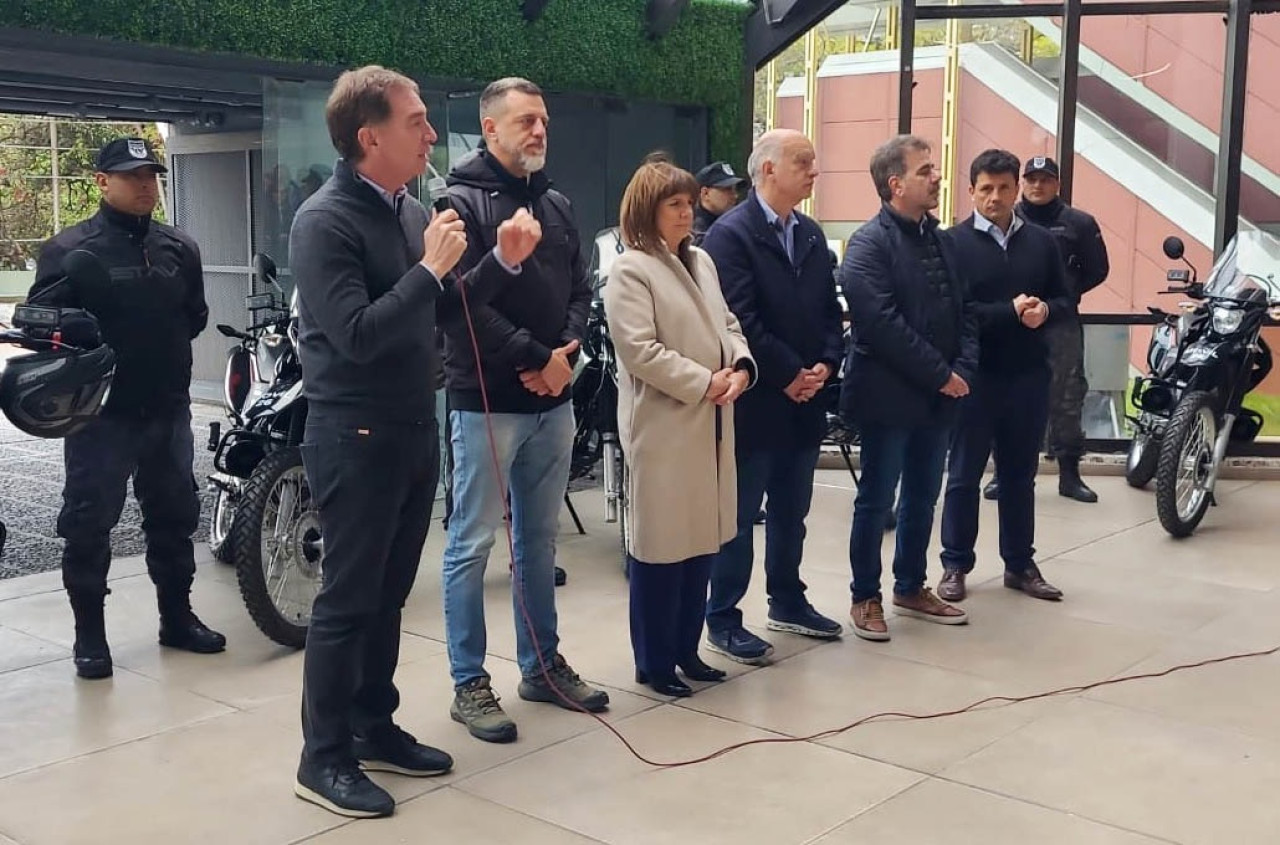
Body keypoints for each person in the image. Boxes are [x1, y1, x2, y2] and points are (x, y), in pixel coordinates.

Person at [288, 65, 542, 818]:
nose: (433, 134)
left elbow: (437, 309)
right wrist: (432, 265)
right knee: (347, 599)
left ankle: (372, 722)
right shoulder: (324, 220)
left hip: (408, 425)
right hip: (353, 431)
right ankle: (321, 754)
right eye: (417, 122)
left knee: (391, 595)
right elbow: (360, 334)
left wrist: (499, 263)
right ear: (370, 137)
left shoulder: (406, 210)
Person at [439, 77, 609, 745]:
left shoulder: (559, 204)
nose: (539, 131)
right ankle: (467, 681)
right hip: (488, 403)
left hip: (554, 399)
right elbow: (462, 306)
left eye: (543, 120)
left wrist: (562, 354)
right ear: (490, 131)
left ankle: (540, 665)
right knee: (472, 541)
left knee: (538, 542)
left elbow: (580, 288)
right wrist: (537, 355)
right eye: (525, 122)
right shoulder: (457, 204)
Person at [31, 136, 224, 681]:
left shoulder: (180, 247)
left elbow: (194, 317)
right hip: (99, 416)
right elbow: (41, 324)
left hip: (166, 408)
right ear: (101, 182)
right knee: (88, 524)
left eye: (152, 175)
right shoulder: (69, 250)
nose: (145, 185)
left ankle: (177, 618)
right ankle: (89, 637)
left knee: (175, 517)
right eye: (132, 176)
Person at [606, 159, 755, 697]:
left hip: (712, 424)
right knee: (661, 549)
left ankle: (687, 650)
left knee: (702, 544)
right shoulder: (632, 270)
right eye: (675, 205)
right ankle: (654, 660)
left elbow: (729, 325)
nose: (687, 212)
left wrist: (739, 367)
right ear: (647, 210)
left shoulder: (703, 262)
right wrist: (704, 381)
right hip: (666, 427)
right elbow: (640, 350)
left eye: (690, 203)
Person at [701, 129, 845, 664]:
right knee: (739, 517)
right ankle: (723, 617)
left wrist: (826, 365)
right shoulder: (729, 236)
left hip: (806, 400)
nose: (814, 170)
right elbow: (737, 320)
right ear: (767, 170)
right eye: (803, 162)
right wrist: (787, 373)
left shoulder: (808, 232)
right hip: (757, 402)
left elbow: (831, 311)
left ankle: (788, 599)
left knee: (793, 510)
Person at [841, 135, 979, 641]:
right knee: (876, 501)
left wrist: (962, 367)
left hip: (939, 397)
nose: (937, 177)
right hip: (889, 396)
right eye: (925, 171)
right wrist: (941, 373)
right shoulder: (868, 244)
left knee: (923, 496)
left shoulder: (942, 241)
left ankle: (910, 585)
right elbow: (880, 323)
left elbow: (966, 313)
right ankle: (865, 596)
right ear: (895, 184)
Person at [938, 149, 1072, 605]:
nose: (995, 197)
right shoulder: (952, 243)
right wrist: (1010, 313)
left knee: (1020, 476)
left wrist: (1046, 310)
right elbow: (955, 313)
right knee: (963, 476)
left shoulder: (1041, 242)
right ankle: (955, 563)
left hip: (1029, 376)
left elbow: (1065, 299)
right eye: (985, 189)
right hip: (975, 378)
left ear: (1017, 190)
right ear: (971, 191)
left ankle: (1019, 564)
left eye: (1003, 188)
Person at [1012, 155, 1110, 503]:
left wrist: (1066, 293)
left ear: (1057, 184)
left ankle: (1070, 476)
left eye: (1045, 179)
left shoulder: (1079, 223)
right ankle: (1007, 473)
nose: (1037, 185)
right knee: (1007, 395)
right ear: (1022, 183)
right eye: (1031, 179)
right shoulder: (1007, 219)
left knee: (1068, 397)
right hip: (1013, 320)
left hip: (1061, 321)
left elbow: (1098, 269)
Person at [693, 161, 745, 247]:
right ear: (705, 193)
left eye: (735, 189)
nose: (735, 195)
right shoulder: (694, 232)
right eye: (727, 189)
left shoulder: (736, 224)